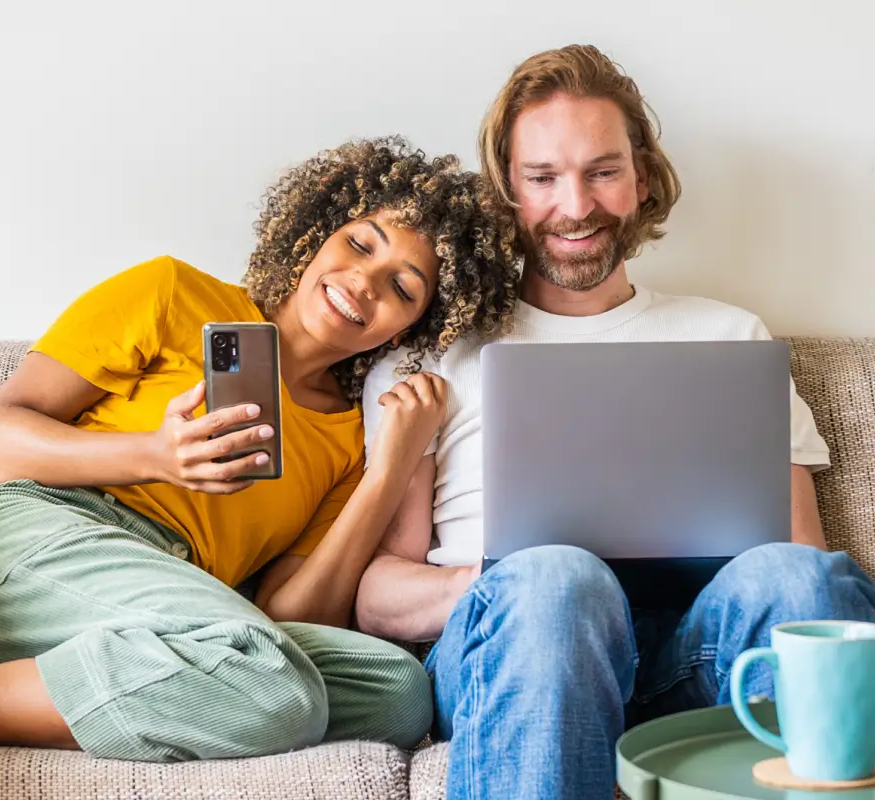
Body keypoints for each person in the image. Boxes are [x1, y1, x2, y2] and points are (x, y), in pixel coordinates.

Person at [0, 137, 519, 800]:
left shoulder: (349, 440)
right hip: (14, 554)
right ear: (317, 229)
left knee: (396, 690)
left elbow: (290, 620)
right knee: (269, 680)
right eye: (361, 243)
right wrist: (155, 454)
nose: (365, 282)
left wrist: (387, 470)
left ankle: (103, 689)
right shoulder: (172, 294)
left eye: (402, 287)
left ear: (420, 325)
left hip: (161, 612)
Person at [355, 46, 875, 800]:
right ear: (507, 190)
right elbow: (376, 597)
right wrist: (501, 578)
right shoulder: (436, 355)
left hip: (693, 661)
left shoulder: (730, 338)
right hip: (517, 649)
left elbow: (800, 567)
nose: (575, 206)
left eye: (602, 171)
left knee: (798, 580)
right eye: (543, 178)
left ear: (641, 179)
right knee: (556, 580)